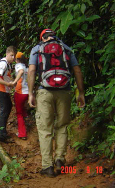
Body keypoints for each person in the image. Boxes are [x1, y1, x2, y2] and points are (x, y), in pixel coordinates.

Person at [27, 29, 85, 177]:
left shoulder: (36, 49)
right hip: (65, 92)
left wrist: (31, 93)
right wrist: (81, 93)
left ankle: (48, 166)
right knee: (62, 125)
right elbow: (77, 70)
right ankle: (60, 159)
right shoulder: (65, 48)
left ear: (42, 38)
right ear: (54, 36)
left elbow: (32, 71)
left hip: (44, 92)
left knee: (45, 129)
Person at [0, 46, 17, 142]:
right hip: (1, 89)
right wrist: (8, 84)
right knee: (4, 110)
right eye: (11, 55)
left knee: (8, 107)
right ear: (7, 54)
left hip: (4, 89)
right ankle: (2, 134)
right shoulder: (3, 64)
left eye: (14, 56)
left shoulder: (8, 64)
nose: (13, 58)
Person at [12, 52, 29, 140]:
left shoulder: (19, 65)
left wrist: (14, 82)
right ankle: (26, 116)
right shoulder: (27, 67)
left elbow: (21, 71)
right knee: (22, 106)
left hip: (21, 91)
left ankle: (22, 133)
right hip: (28, 92)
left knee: (18, 113)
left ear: (17, 59)